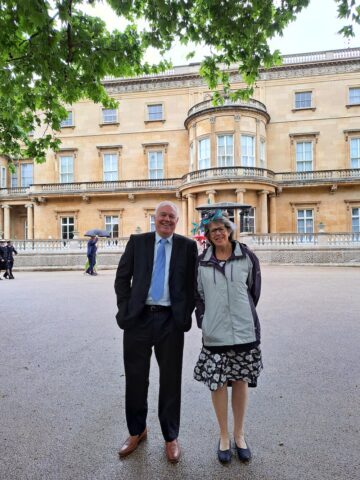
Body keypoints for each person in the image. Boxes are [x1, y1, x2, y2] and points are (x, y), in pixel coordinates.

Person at [114, 201, 198, 463]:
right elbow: (122, 278)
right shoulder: (138, 242)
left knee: (170, 381)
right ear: (155, 217)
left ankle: (170, 436)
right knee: (136, 379)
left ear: (177, 220)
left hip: (170, 322)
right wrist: (126, 310)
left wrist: (183, 316)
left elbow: (192, 284)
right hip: (138, 319)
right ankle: (137, 431)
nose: (167, 220)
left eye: (172, 217)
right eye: (163, 215)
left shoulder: (187, 246)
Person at [193, 211, 263, 464]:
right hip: (215, 333)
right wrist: (205, 320)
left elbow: (253, 292)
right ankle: (223, 435)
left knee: (241, 381)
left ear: (230, 231)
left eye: (222, 228)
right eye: (213, 230)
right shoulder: (201, 262)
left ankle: (239, 434)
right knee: (219, 383)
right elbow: (198, 296)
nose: (219, 233)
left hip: (244, 331)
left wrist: (242, 314)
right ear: (209, 236)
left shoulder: (247, 257)